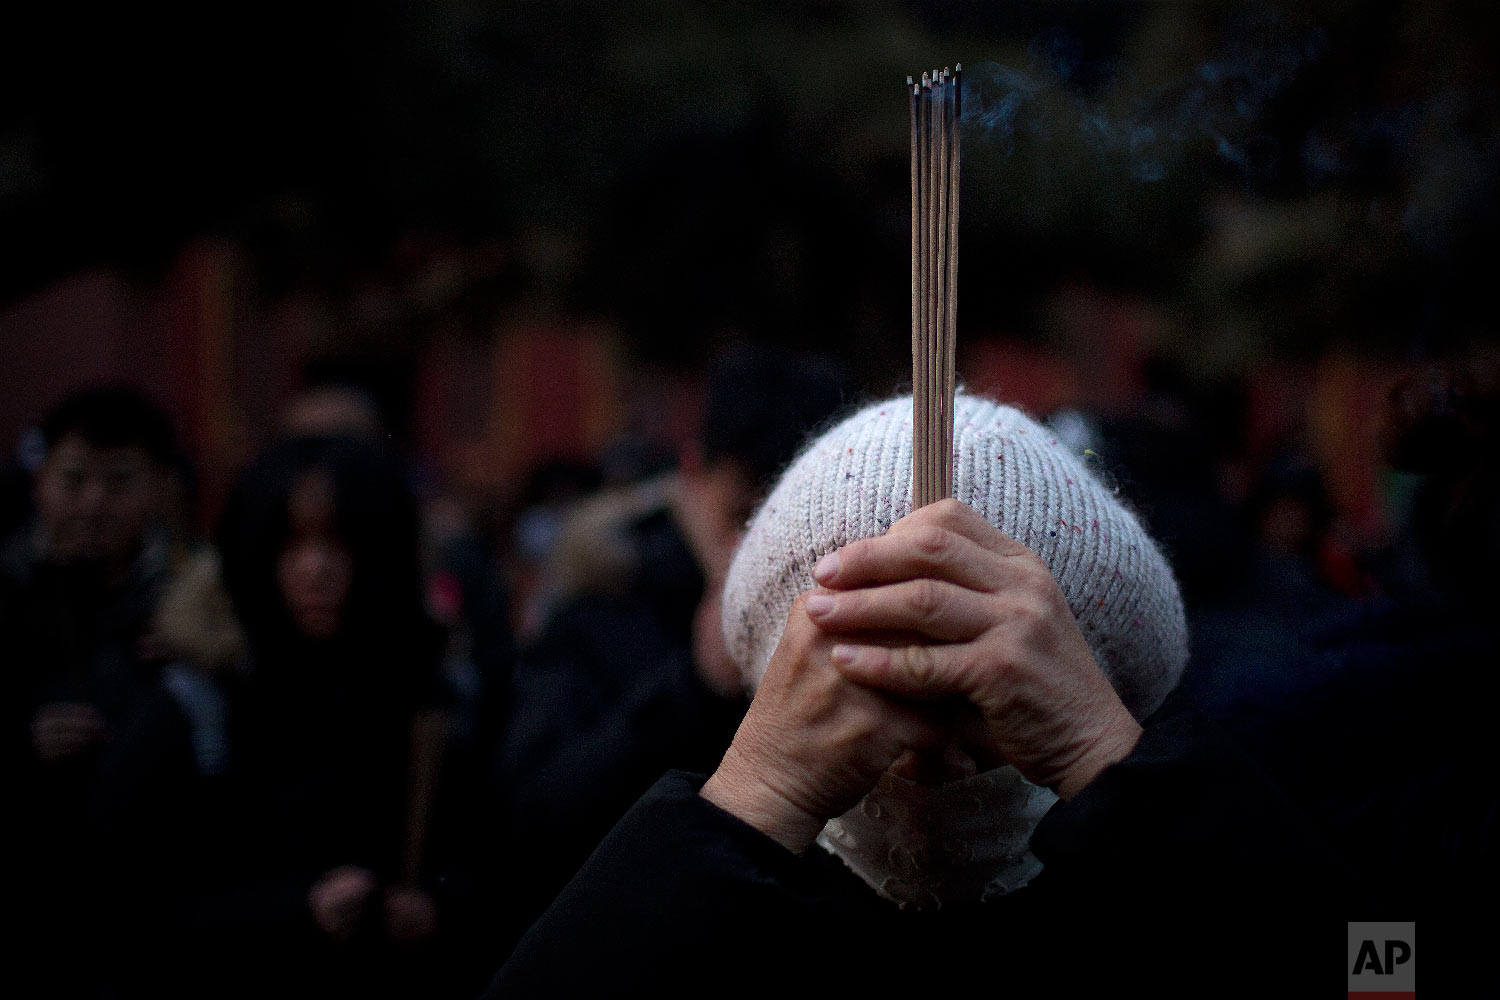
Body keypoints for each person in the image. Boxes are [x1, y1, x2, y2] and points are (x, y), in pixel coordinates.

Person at [487, 395, 1367, 995]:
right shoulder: (717, 914)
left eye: (994, 694)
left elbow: (1388, 975)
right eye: (866, 679)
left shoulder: (1184, 873)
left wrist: (1115, 764)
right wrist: (751, 799)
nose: (928, 752)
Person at [482, 344, 850, 959]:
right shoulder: (605, 601)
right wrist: (696, 686)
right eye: (747, 516)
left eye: (798, 520)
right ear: (692, 480)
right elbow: (529, 824)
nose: (772, 547)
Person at [139, 435, 457, 999]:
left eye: (339, 543)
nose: (315, 569)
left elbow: (496, 852)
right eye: (291, 545)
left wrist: (437, 903)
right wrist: (292, 910)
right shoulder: (205, 701)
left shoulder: (426, 700)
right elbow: (132, 910)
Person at [3, 385, 179, 998]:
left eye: (119, 481)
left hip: (157, 908)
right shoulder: (9, 590)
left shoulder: (196, 604)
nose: (94, 503)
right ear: (39, 482)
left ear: (160, 486)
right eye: (73, 480)